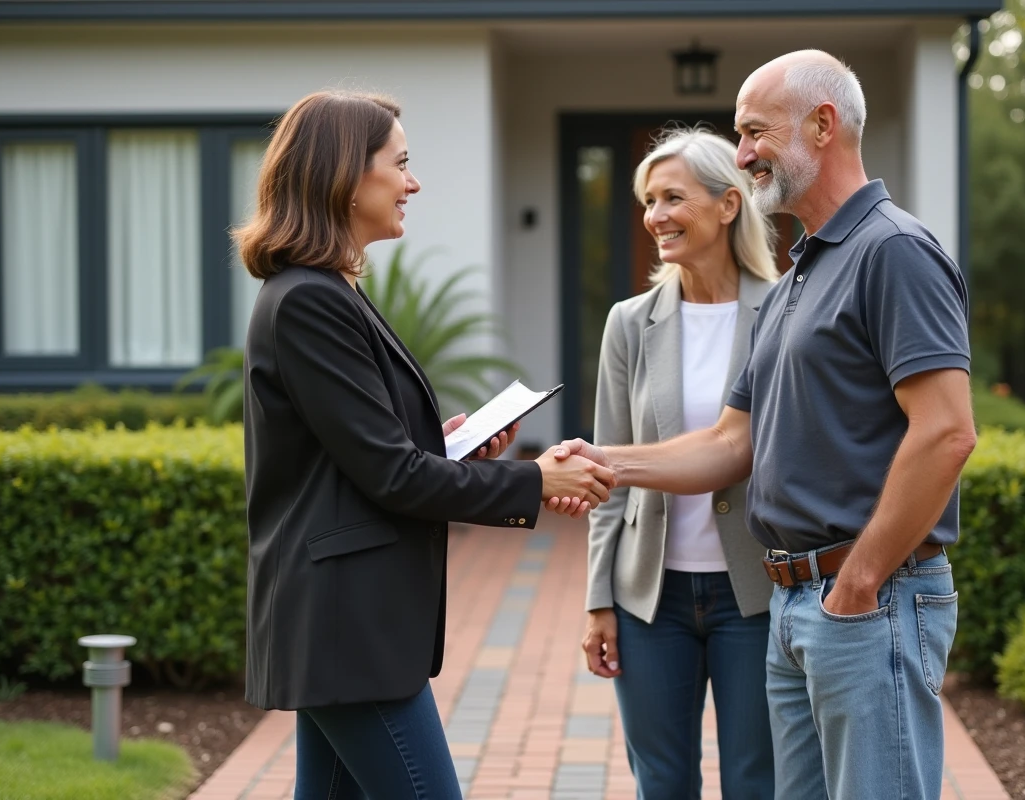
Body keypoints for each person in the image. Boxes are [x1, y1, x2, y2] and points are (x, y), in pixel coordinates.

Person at [554, 50, 977, 800]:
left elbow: (946, 432)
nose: (743, 154)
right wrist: (601, 461)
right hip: (794, 607)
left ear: (822, 126)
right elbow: (728, 443)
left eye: (754, 132)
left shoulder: (894, 251)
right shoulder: (800, 281)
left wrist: (860, 580)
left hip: (861, 601)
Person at [236, 89, 614, 800]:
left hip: (340, 625)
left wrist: (453, 452)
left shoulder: (324, 292)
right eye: (400, 164)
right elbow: (392, 476)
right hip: (347, 629)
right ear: (346, 177)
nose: (413, 183)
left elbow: (358, 456)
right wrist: (535, 480)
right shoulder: (311, 300)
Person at [582, 127, 778, 799]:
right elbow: (611, 474)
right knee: (661, 784)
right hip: (649, 598)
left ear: (728, 205)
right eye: (648, 200)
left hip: (754, 594)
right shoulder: (630, 323)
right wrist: (598, 600)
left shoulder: (782, 310)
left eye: (672, 197)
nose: (655, 216)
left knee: (757, 781)